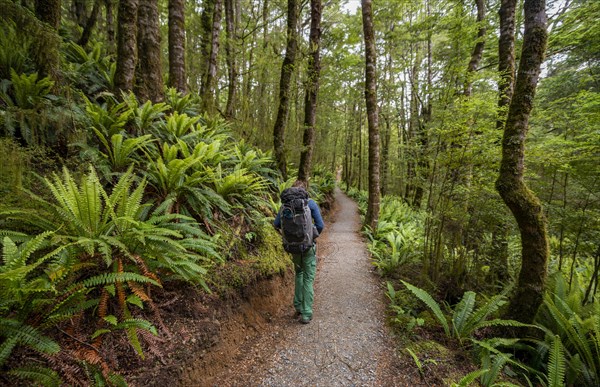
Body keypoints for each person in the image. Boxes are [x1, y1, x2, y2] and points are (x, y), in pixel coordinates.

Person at [273, 180, 324, 324]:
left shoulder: (285, 205)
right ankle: (306, 313)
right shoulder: (310, 204)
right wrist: (313, 235)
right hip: (308, 247)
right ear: (304, 190)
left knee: (299, 274)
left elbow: (276, 224)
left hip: (293, 248)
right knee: (308, 278)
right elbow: (320, 225)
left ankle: (298, 306)